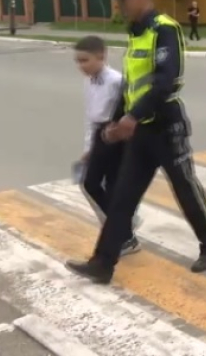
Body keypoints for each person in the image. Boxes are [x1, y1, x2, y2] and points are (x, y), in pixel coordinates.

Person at [65, 0, 206, 284]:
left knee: (185, 187)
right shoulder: (135, 34)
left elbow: (167, 81)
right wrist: (116, 123)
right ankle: (103, 262)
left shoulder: (165, 30)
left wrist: (131, 117)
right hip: (140, 134)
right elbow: (131, 88)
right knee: (122, 197)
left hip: (166, 127)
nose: (120, 5)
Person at [73, 35, 141, 256]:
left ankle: (125, 235)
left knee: (109, 186)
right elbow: (89, 117)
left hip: (116, 137)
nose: (81, 66)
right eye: (78, 61)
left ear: (101, 56)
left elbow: (130, 111)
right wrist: (88, 147)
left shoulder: (116, 81)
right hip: (99, 136)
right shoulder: (88, 82)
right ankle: (123, 226)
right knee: (90, 184)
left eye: (85, 60)